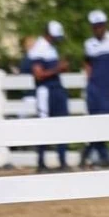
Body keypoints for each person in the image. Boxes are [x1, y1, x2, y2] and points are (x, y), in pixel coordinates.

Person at [80, 9, 109, 168]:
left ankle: (88, 152)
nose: (98, 29)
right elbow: (87, 64)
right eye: (95, 26)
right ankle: (102, 156)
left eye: (100, 25)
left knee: (105, 123)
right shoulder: (89, 44)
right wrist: (89, 81)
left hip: (108, 88)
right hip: (94, 89)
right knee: (95, 123)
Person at [28, 21, 70, 171]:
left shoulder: (51, 48)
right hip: (45, 91)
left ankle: (63, 161)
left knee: (62, 124)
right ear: (49, 34)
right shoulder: (38, 48)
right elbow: (38, 75)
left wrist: (60, 69)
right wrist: (58, 69)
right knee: (44, 125)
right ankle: (41, 163)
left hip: (56, 89)